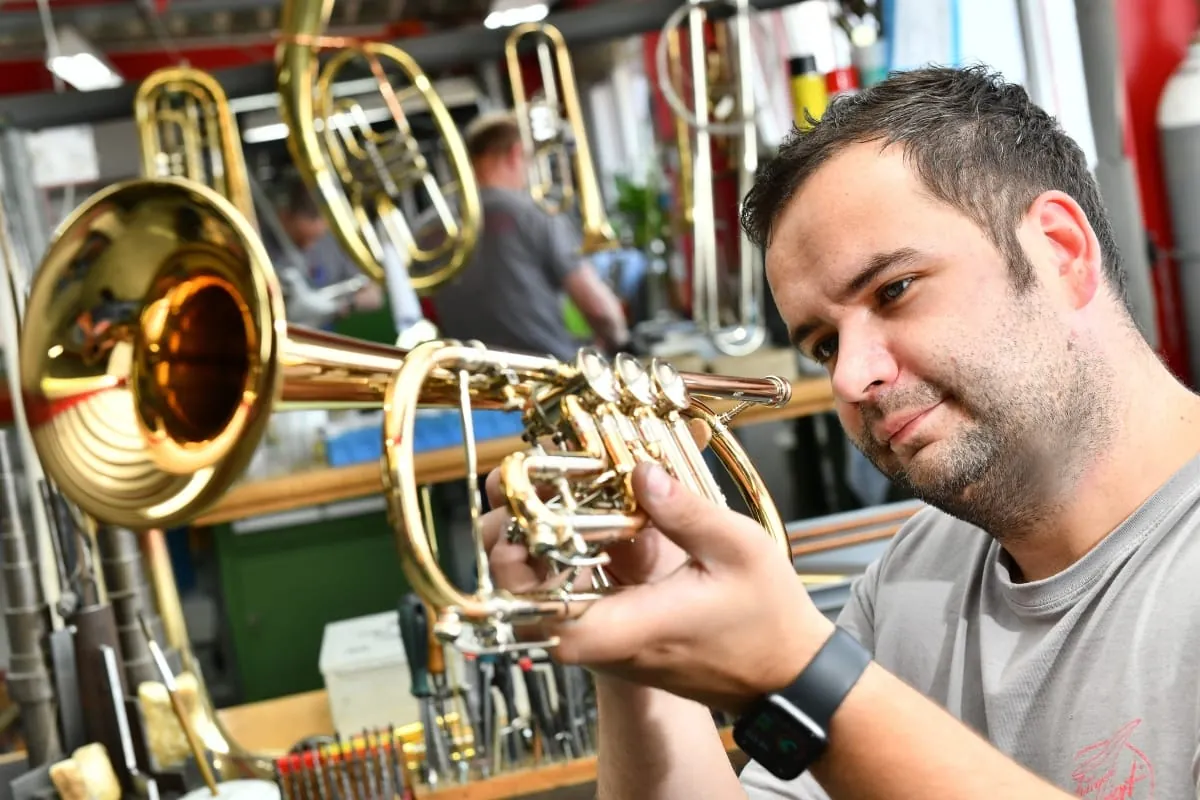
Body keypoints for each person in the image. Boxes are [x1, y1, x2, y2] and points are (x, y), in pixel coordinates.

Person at [476, 65, 1200, 799]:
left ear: (1059, 250)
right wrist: (638, 637)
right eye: (823, 344)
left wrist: (803, 675)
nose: (849, 377)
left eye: (894, 290)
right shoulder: (915, 577)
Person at [429, 111, 630, 361]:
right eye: (528, 161)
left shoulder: (430, 225)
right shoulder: (535, 213)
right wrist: (620, 342)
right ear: (515, 153)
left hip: (472, 382)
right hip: (546, 379)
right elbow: (599, 309)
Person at [265, 174, 396, 331]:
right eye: (302, 240)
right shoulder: (263, 245)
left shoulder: (333, 242)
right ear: (284, 216)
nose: (310, 246)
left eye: (314, 239)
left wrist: (346, 304)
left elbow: (375, 296)